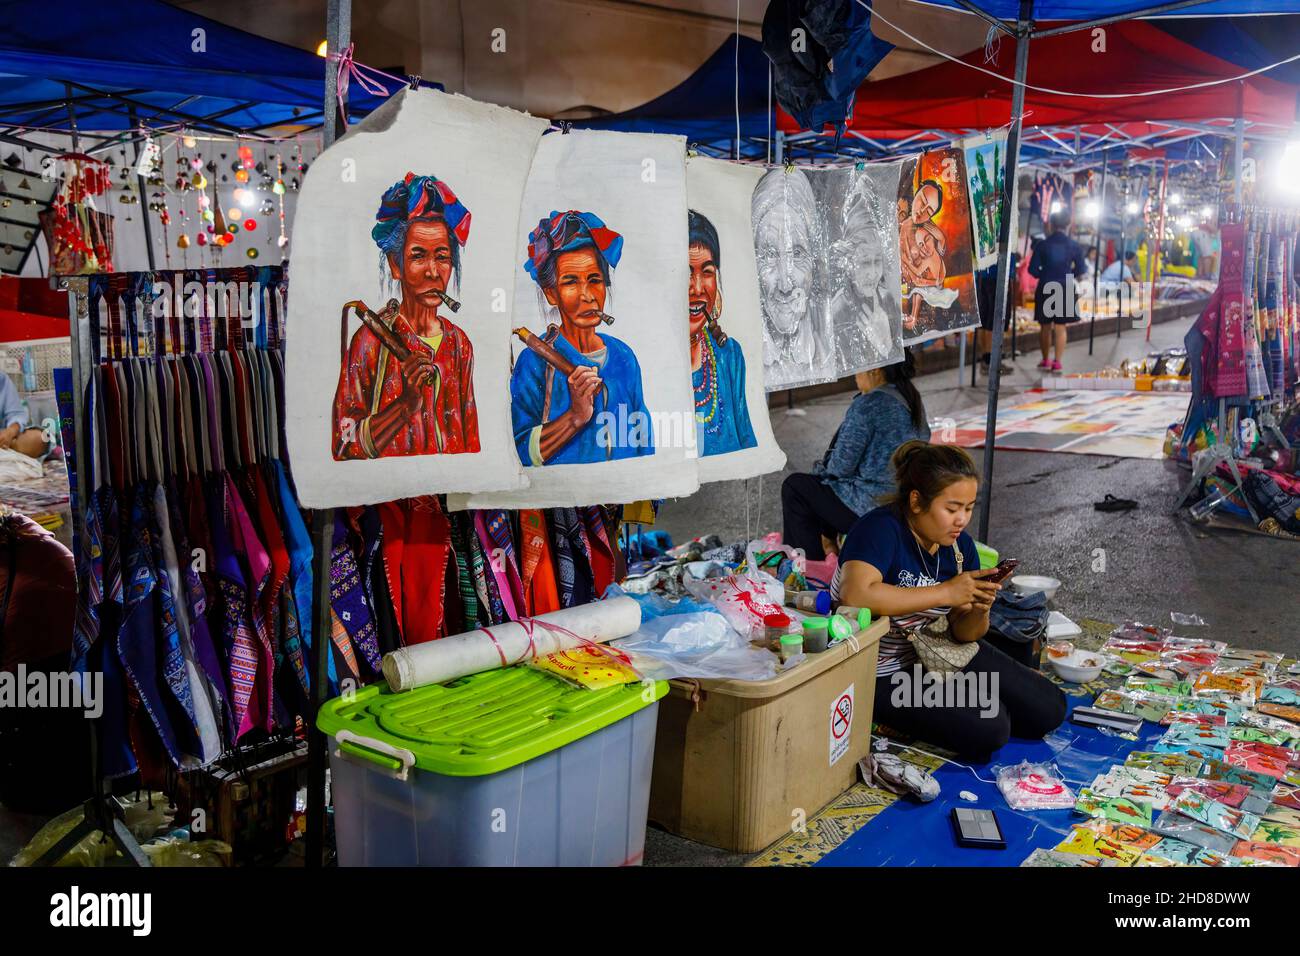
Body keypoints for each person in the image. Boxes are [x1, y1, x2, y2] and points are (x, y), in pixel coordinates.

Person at [832, 442, 1066, 761]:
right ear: (916, 501)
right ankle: (886, 711)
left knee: (1049, 708)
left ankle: (954, 702)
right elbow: (856, 594)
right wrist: (947, 592)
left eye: (968, 508)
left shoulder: (960, 547)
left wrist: (978, 608)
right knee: (991, 727)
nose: (961, 520)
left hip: (938, 649)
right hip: (882, 671)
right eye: (952, 508)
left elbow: (964, 635)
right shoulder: (879, 529)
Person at [333, 173, 478, 460]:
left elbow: (470, 439)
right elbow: (344, 444)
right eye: (418, 256)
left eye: (442, 257)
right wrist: (405, 405)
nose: (433, 272)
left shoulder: (459, 344)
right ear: (395, 265)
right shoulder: (371, 341)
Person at [511, 209, 652, 466]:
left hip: (623, 501)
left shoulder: (624, 357)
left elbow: (643, 439)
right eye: (571, 282)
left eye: (595, 279)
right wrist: (575, 417)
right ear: (551, 294)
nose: (587, 295)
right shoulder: (534, 361)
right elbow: (519, 454)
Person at [782, 353, 929, 561]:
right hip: (903, 503)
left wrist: (820, 469)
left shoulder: (869, 405)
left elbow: (840, 468)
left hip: (869, 506)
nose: (854, 375)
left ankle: (809, 572)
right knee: (824, 488)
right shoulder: (911, 399)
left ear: (874, 369)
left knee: (796, 487)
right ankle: (831, 549)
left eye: (857, 368)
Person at [688, 209, 756, 457]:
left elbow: (747, 439)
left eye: (706, 272)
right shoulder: (652, 363)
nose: (697, 288)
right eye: (685, 272)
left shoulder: (729, 354)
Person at [752, 167, 828, 381]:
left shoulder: (825, 352)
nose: (786, 285)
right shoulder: (741, 360)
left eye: (797, 253)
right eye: (769, 254)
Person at [1029, 210, 1087, 372]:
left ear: (1051, 225)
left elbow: (1032, 270)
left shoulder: (1042, 245)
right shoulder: (1074, 246)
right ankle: (1057, 362)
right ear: (1068, 225)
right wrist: (1068, 274)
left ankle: (1045, 360)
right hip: (1066, 285)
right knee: (1061, 326)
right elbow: (1081, 269)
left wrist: (1045, 274)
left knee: (1045, 327)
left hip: (1046, 284)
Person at [0, 376, 50, 459]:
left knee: (40, 438)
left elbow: (16, 414)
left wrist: (11, 431)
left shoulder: (3, 381)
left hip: (5, 436)